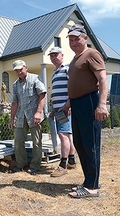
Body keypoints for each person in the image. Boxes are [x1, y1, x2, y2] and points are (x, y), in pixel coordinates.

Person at [61, 24, 109, 198]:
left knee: (91, 144)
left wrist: (102, 104)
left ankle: (92, 187)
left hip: (89, 101)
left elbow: (102, 79)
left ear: (85, 38)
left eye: (76, 39)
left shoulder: (92, 54)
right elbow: (74, 86)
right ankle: (89, 180)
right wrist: (68, 104)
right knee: (80, 144)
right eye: (71, 40)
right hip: (77, 104)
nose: (73, 43)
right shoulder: (75, 59)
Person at [8, 60, 47, 175]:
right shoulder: (15, 85)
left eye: (20, 69)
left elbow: (42, 95)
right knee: (18, 140)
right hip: (21, 116)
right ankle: (21, 164)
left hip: (35, 115)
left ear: (26, 68)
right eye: (16, 70)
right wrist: (12, 118)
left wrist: (38, 112)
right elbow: (15, 103)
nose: (19, 72)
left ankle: (35, 166)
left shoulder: (35, 79)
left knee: (36, 142)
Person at [47, 47, 77, 178]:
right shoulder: (55, 72)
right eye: (51, 56)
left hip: (65, 108)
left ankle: (62, 164)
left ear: (62, 55)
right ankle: (71, 160)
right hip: (59, 109)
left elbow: (73, 86)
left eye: (55, 55)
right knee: (68, 135)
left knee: (62, 134)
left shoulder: (67, 68)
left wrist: (69, 104)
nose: (53, 58)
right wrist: (54, 108)